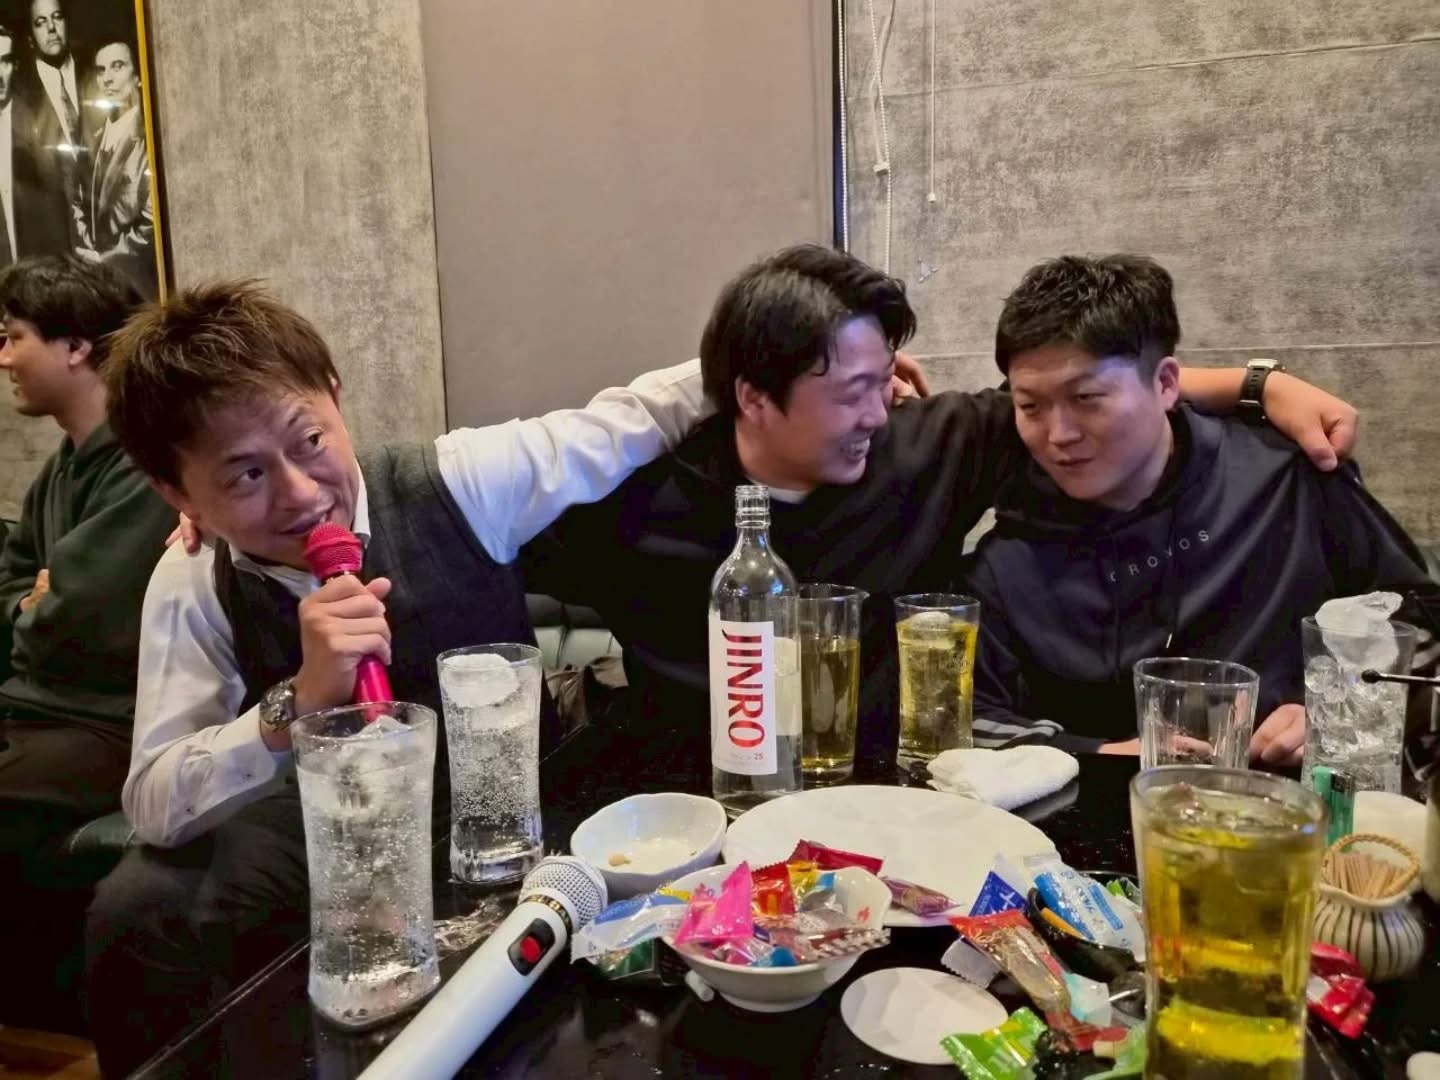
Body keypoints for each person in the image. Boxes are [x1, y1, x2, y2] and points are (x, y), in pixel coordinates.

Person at [85, 279, 708, 1076]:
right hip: (341, 833)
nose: (302, 494)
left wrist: (815, 360)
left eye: (309, 440)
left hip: (514, 802)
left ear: (336, 396)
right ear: (177, 493)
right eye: (244, 476)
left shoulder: (460, 480)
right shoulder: (193, 578)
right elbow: (154, 798)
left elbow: (636, 414)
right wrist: (294, 704)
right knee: (139, 908)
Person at [522, 244, 1362, 776]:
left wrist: (1261, 386)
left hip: (889, 800)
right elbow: (479, 545)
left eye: (881, 380)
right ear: (753, 397)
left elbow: (1082, 393)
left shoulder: (927, 447)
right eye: (852, 392)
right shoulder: (634, 500)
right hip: (691, 805)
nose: (879, 412)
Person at [966, 254, 1430, 761]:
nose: (1059, 434)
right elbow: (969, 716)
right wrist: (1099, 753)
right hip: (1102, 803)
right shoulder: (1009, 559)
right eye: (1030, 406)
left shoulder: (1285, 479)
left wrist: (1340, 705)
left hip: (1289, 794)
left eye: (1087, 398)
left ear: (1167, 384)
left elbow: (1421, 620)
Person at [0, 254, 171, 1026]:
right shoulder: (59, 472)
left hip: (107, 725)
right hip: (43, 710)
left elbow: (80, 612)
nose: (4, 358)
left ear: (75, 347)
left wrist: (43, 602)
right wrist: (34, 601)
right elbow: (20, 591)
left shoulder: (144, 464)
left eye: (15, 337)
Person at [74, 40, 156, 297]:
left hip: (139, 286)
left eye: (117, 66)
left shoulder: (149, 136)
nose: (107, 78)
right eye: (101, 70)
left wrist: (106, 259)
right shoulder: (94, 139)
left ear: (137, 76)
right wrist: (88, 252)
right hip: (98, 289)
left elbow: (152, 219)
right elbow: (78, 201)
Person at [16, 0, 89, 251]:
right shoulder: (20, 93)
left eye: (57, 17)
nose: (51, 28)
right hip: (58, 240)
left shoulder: (94, 71)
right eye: (40, 22)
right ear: (30, 37)